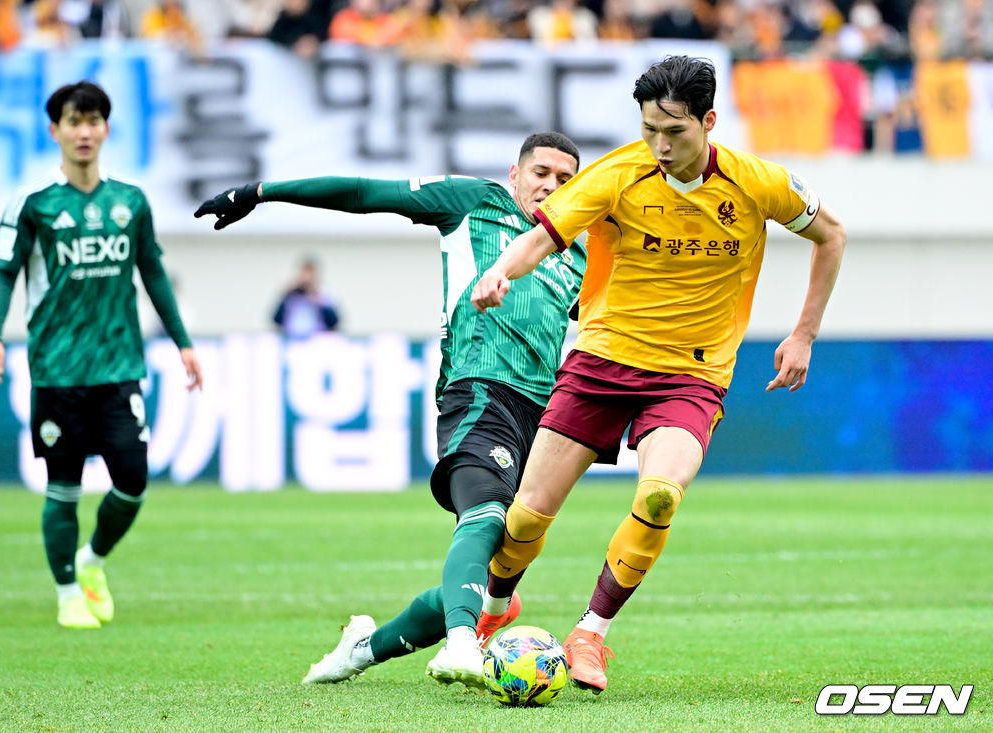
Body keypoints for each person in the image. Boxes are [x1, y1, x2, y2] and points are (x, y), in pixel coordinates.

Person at [471, 55, 847, 694]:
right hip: (601, 361)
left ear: (709, 121)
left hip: (691, 374)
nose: (661, 145)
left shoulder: (758, 183)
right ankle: (496, 608)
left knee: (660, 495)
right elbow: (541, 237)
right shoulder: (617, 174)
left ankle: (590, 634)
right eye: (649, 129)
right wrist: (501, 271)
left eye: (674, 131)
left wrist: (803, 333)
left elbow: (831, 235)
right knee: (528, 517)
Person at [194, 132, 585, 687]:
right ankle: (461, 644)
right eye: (541, 173)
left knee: (498, 576)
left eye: (565, 179)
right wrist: (261, 192)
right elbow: (365, 192)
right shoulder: (474, 202)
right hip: (479, 389)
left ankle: (362, 650)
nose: (551, 186)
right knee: (485, 515)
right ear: (515, 174)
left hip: (542, 420)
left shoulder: (577, 252)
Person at [0, 81, 203, 630]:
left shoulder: (130, 201)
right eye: (74, 121)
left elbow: (152, 272)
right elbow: (4, 272)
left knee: (133, 480)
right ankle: (66, 594)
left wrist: (183, 342)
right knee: (64, 485)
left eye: (93, 120)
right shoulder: (34, 203)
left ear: (106, 128)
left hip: (119, 365)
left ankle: (92, 561)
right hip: (57, 369)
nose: (84, 131)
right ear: (54, 130)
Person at [271, 258, 340, 338]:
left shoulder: (324, 294)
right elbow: (276, 319)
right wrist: (286, 295)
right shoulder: (290, 295)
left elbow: (334, 322)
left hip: (317, 339)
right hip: (292, 338)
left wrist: (318, 301)